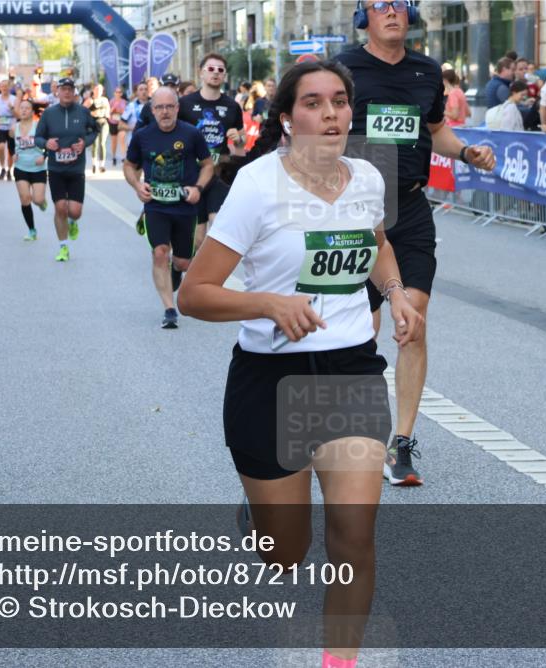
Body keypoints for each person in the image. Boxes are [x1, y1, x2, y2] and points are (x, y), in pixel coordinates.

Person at [177, 59, 424, 668]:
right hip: (271, 380)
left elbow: (377, 244)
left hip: (350, 372)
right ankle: (262, 517)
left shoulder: (366, 176)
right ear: (287, 119)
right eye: (314, 102)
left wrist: (394, 295)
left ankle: (338, 662)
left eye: (339, 101)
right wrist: (266, 303)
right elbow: (194, 294)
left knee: (354, 535)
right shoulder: (258, 186)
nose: (331, 113)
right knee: (284, 552)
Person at [336, 0, 495, 486]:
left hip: (410, 209)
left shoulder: (427, 71)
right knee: (355, 330)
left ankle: (400, 445)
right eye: (380, 5)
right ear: (365, 17)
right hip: (354, 212)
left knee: (413, 323)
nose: (392, 12)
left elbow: (434, 130)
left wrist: (465, 151)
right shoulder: (344, 67)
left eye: (401, 5)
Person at [124, 87, 214, 328]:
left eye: (169, 107)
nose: (165, 112)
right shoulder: (143, 136)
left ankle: (177, 269)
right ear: (152, 110)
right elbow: (129, 166)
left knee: (183, 262)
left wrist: (198, 188)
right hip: (156, 207)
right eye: (160, 107)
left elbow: (207, 165)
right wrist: (137, 185)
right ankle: (169, 309)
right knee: (160, 252)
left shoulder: (191, 134)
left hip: (184, 207)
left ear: (177, 108)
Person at [179, 54, 245, 255]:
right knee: (197, 240)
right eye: (211, 69)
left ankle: (207, 279)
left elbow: (240, 145)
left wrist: (239, 139)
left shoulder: (232, 106)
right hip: (193, 176)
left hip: (219, 175)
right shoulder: (186, 103)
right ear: (201, 73)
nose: (215, 73)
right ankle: (184, 269)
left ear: (225, 75)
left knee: (217, 228)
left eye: (220, 70)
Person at [34, 78, 98, 262]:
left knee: (75, 211)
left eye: (70, 89)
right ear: (58, 92)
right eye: (64, 89)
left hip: (76, 169)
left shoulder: (83, 112)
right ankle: (63, 247)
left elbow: (95, 131)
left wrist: (84, 142)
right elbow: (38, 137)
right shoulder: (49, 114)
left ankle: (72, 222)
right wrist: (47, 143)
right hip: (56, 169)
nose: (67, 92)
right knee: (60, 207)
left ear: (74, 92)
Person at [12, 99, 48, 242]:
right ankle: (32, 230)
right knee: (25, 198)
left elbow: (49, 142)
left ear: (32, 111)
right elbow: (10, 142)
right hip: (21, 166)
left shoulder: (38, 126)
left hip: (38, 167)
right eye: (22, 108)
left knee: (37, 199)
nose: (24, 110)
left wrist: (44, 156)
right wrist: (12, 153)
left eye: (27, 108)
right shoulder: (14, 128)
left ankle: (41, 202)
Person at [0, 78, 18, 180]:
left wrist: (12, 108)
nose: (4, 88)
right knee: (1, 147)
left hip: (11, 126)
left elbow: (17, 114)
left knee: (11, 150)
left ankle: (9, 170)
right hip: (0, 126)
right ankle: (2, 167)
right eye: (2, 86)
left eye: (6, 86)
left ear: (9, 87)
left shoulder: (13, 99)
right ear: (0, 87)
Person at [85, 83, 111, 173]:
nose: (98, 91)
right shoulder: (90, 100)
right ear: (93, 90)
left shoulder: (105, 100)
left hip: (103, 122)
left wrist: (107, 114)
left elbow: (108, 110)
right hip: (93, 123)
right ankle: (94, 164)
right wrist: (90, 113)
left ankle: (102, 165)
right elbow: (82, 110)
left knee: (102, 143)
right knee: (95, 144)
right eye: (97, 89)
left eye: (100, 90)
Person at [108, 86, 128, 166]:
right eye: (116, 92)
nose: (118, 93)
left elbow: (125, 112)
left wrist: (120, 111)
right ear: (114, 93)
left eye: (120, 92)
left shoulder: (124, 102)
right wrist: (114, 107)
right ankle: (113, 157)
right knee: (114, 141)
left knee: (122, 139)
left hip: (121, 123)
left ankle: (124, 157)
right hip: (113, 122)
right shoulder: (111, 101)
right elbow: (108, 112)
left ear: (121, 93)